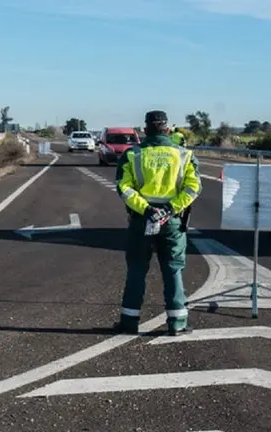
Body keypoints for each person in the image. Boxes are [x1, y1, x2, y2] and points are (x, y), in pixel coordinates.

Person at [113, 110, 202, 336]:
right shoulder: (183, 155)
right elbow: (193, 188)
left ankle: (129, 322)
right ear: (168, 129)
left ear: (145, 130)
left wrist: (147, 209)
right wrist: (170, 209)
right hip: (172, 221)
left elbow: (124, 188)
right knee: (173, 270)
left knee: (136, 270)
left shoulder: (133, 155)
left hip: (142, 220)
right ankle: (177, 323)